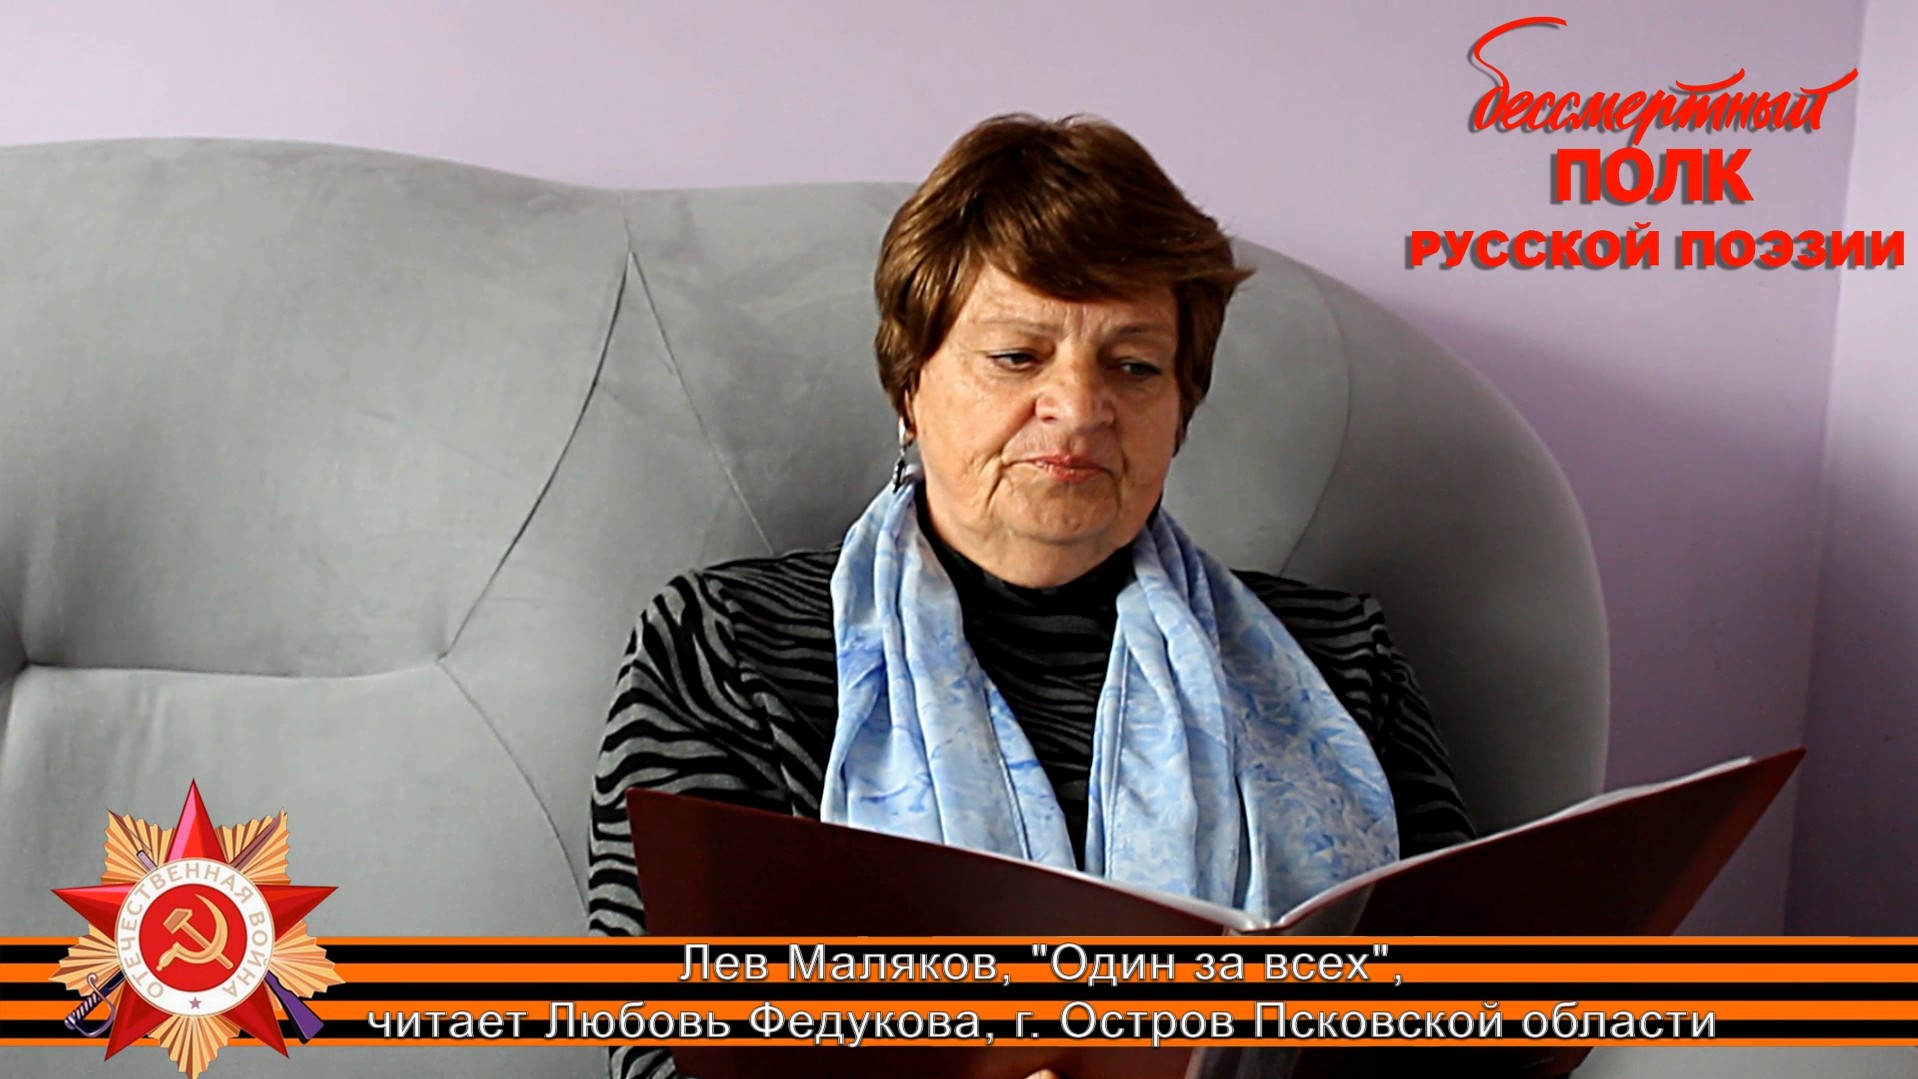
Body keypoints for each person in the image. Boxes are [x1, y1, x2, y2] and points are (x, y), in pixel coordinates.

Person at [587, 113, 1475, 1079]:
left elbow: (1479, 1024)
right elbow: (663, 1048)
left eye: (1134, 366)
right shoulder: (727, 645)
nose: (1080, 407)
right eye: (1018, 356)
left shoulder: (1342, 656)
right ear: (908, 384)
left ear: (1182, 407)